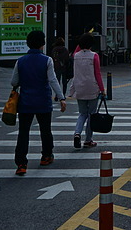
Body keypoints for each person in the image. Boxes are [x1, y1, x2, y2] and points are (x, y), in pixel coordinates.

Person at [11, 30, 66, 176]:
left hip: (25, 102)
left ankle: (21, 163)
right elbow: (53, 80)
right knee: (45, 130)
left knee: (23, 132)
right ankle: (46, 156)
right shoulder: (46, 60)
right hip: (43, 101)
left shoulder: (20, 61)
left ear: (28, 43)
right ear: (43, 43)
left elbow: (14, 82)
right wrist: (61, 98)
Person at [69, 33, 105, 149]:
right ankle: (88, 140)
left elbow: (77, 50)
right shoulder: (94, 56)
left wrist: (80, 43)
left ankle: (77, 133)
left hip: (79, 88)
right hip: (92, 88)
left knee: (82, 113)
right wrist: (102, 89)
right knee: (91, 115)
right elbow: (97, 74)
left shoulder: (75, 56)